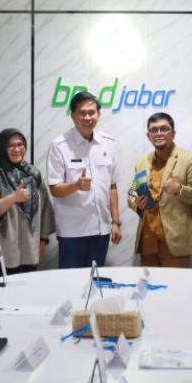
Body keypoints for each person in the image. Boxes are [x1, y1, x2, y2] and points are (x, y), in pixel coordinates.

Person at [47, 91, 121, 269]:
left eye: (91, 112)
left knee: (95, 280)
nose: (87, 117)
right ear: (73, 116)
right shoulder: (59, 145)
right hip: (72, 231)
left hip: (101, 229)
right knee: (71, 281)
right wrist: (76, 185)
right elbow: (54, 189)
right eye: (82, 113)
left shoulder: (108, 142)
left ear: (98, 115)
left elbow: (112, 186)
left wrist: (116, 222)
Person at [127, 113, 192, 268]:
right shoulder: (142, 162)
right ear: (148, 136)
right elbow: (132, 191)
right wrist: (136, 203)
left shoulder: (188, 159)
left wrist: (180, 189)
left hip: (175, 241)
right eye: (154, 130)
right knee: (148, 283)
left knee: (175, 283)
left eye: (164, 129)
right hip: (147, 240)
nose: (159, 133)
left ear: (173, 133)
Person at [0, 129, 55, 274]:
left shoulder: (34, 175)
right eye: (11, 145)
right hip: (0, 254)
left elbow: (46, 212)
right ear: (2, 148)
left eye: (20, 144)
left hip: (29, 252)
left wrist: (43, 243)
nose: (17, 149)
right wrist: (12, 198)